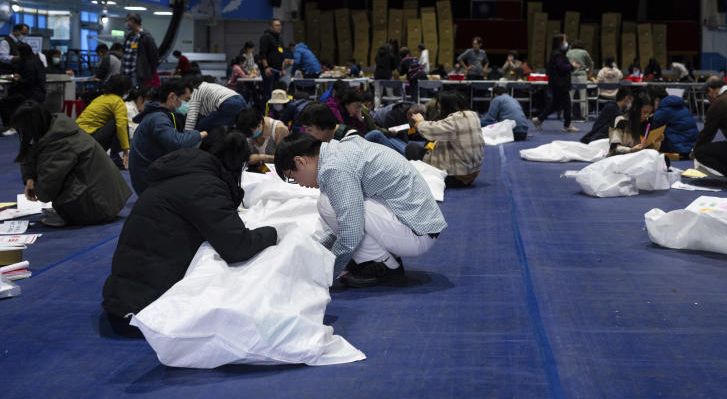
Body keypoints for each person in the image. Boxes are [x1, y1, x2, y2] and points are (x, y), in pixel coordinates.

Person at [102, 128, 277, 334]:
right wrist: (274, 232)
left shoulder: (183, 173)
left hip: (123, 300)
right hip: (144, 312)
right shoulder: (204, 185)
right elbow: (237, 246)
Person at [275, 133, 446, 287]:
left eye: (292, 177)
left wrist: (325, 275)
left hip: (416, 233)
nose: (300, 184)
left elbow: (351, 232)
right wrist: (319, 249)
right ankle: (377, 259)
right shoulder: (340, 150)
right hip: (417, 225)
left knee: (327, 205)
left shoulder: (334, 168)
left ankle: (385, 264)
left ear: (300, 161)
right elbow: (343, 224)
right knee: (339, 208)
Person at [14, 100, 131, 227]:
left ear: (32, 128)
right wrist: (29, 179)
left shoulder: (60, 143)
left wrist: (37, 186)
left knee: (55, 181)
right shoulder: (55, 128)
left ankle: (74, 214)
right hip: (107, 198)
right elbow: (26, 153)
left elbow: (45, 192)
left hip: (99, 206)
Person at [128, 79, 205, 195]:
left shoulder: (159, 115)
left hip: (150, 173)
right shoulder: (158, 118)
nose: (188, 105)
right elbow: (177, 142)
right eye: (186, 100)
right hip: (148, 181)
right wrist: (199, 134)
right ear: (172, 97)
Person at [407, 91, 484, 187]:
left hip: (456, 177)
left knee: (412, 147)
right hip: (471, 173)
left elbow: (429, 130)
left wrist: (419, 122)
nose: (439, 111)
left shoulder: (454, 120)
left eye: (439, 108)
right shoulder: (473, 115)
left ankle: (416, 181)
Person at [76, 75, 133, 168]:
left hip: (78, 138)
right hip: (90, 140)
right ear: (125, 90)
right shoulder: (118, 102)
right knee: (120, 122)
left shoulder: (100, 98)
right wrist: (126, 150)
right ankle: (116, 156)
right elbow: (121, 126)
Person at [532, 33, 579, 133]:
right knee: (567, 104)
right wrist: (572, 65)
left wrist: (571, 66)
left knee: (555, 105)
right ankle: (567, 125)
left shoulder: (558, 53)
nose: (566, 42)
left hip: (558, 83)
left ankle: (539, 119)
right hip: (560, 84)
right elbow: (562, 67)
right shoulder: (557, 54)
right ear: (560, 42)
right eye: (565, 40)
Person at [0, 43, 46, 136]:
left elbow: (27, 82)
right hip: (39, 93)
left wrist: (16, 79)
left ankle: (10, 126)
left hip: (30, 94)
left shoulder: (27, 63)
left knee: (4, 103)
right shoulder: (37, 61)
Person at [649, 90, 699, 159]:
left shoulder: (664, 109)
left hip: (679, 148)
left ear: (657, 100)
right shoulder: (680, 105)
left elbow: (651, 124)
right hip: (693, 145)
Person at [122, 12, 159, 87]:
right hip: (126, 74)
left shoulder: (146, 37)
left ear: (133, 21)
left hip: (138, 76)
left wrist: (147, 73)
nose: (126, 24)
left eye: (127, 21)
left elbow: (154, 57)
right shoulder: (129, 36)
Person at [259, 18, 288, 100]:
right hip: (269, 70)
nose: (279, 27)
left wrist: (282, 69)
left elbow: (281, 54)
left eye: (280, 25)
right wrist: (266, 67)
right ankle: (266, 112)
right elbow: (263, 53)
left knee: (276, 93)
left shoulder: (280, 38)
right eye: (277, 25)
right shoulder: (265, 37)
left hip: (277, 70)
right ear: (271, 27)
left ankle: (274, 112)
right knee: (268, 93)